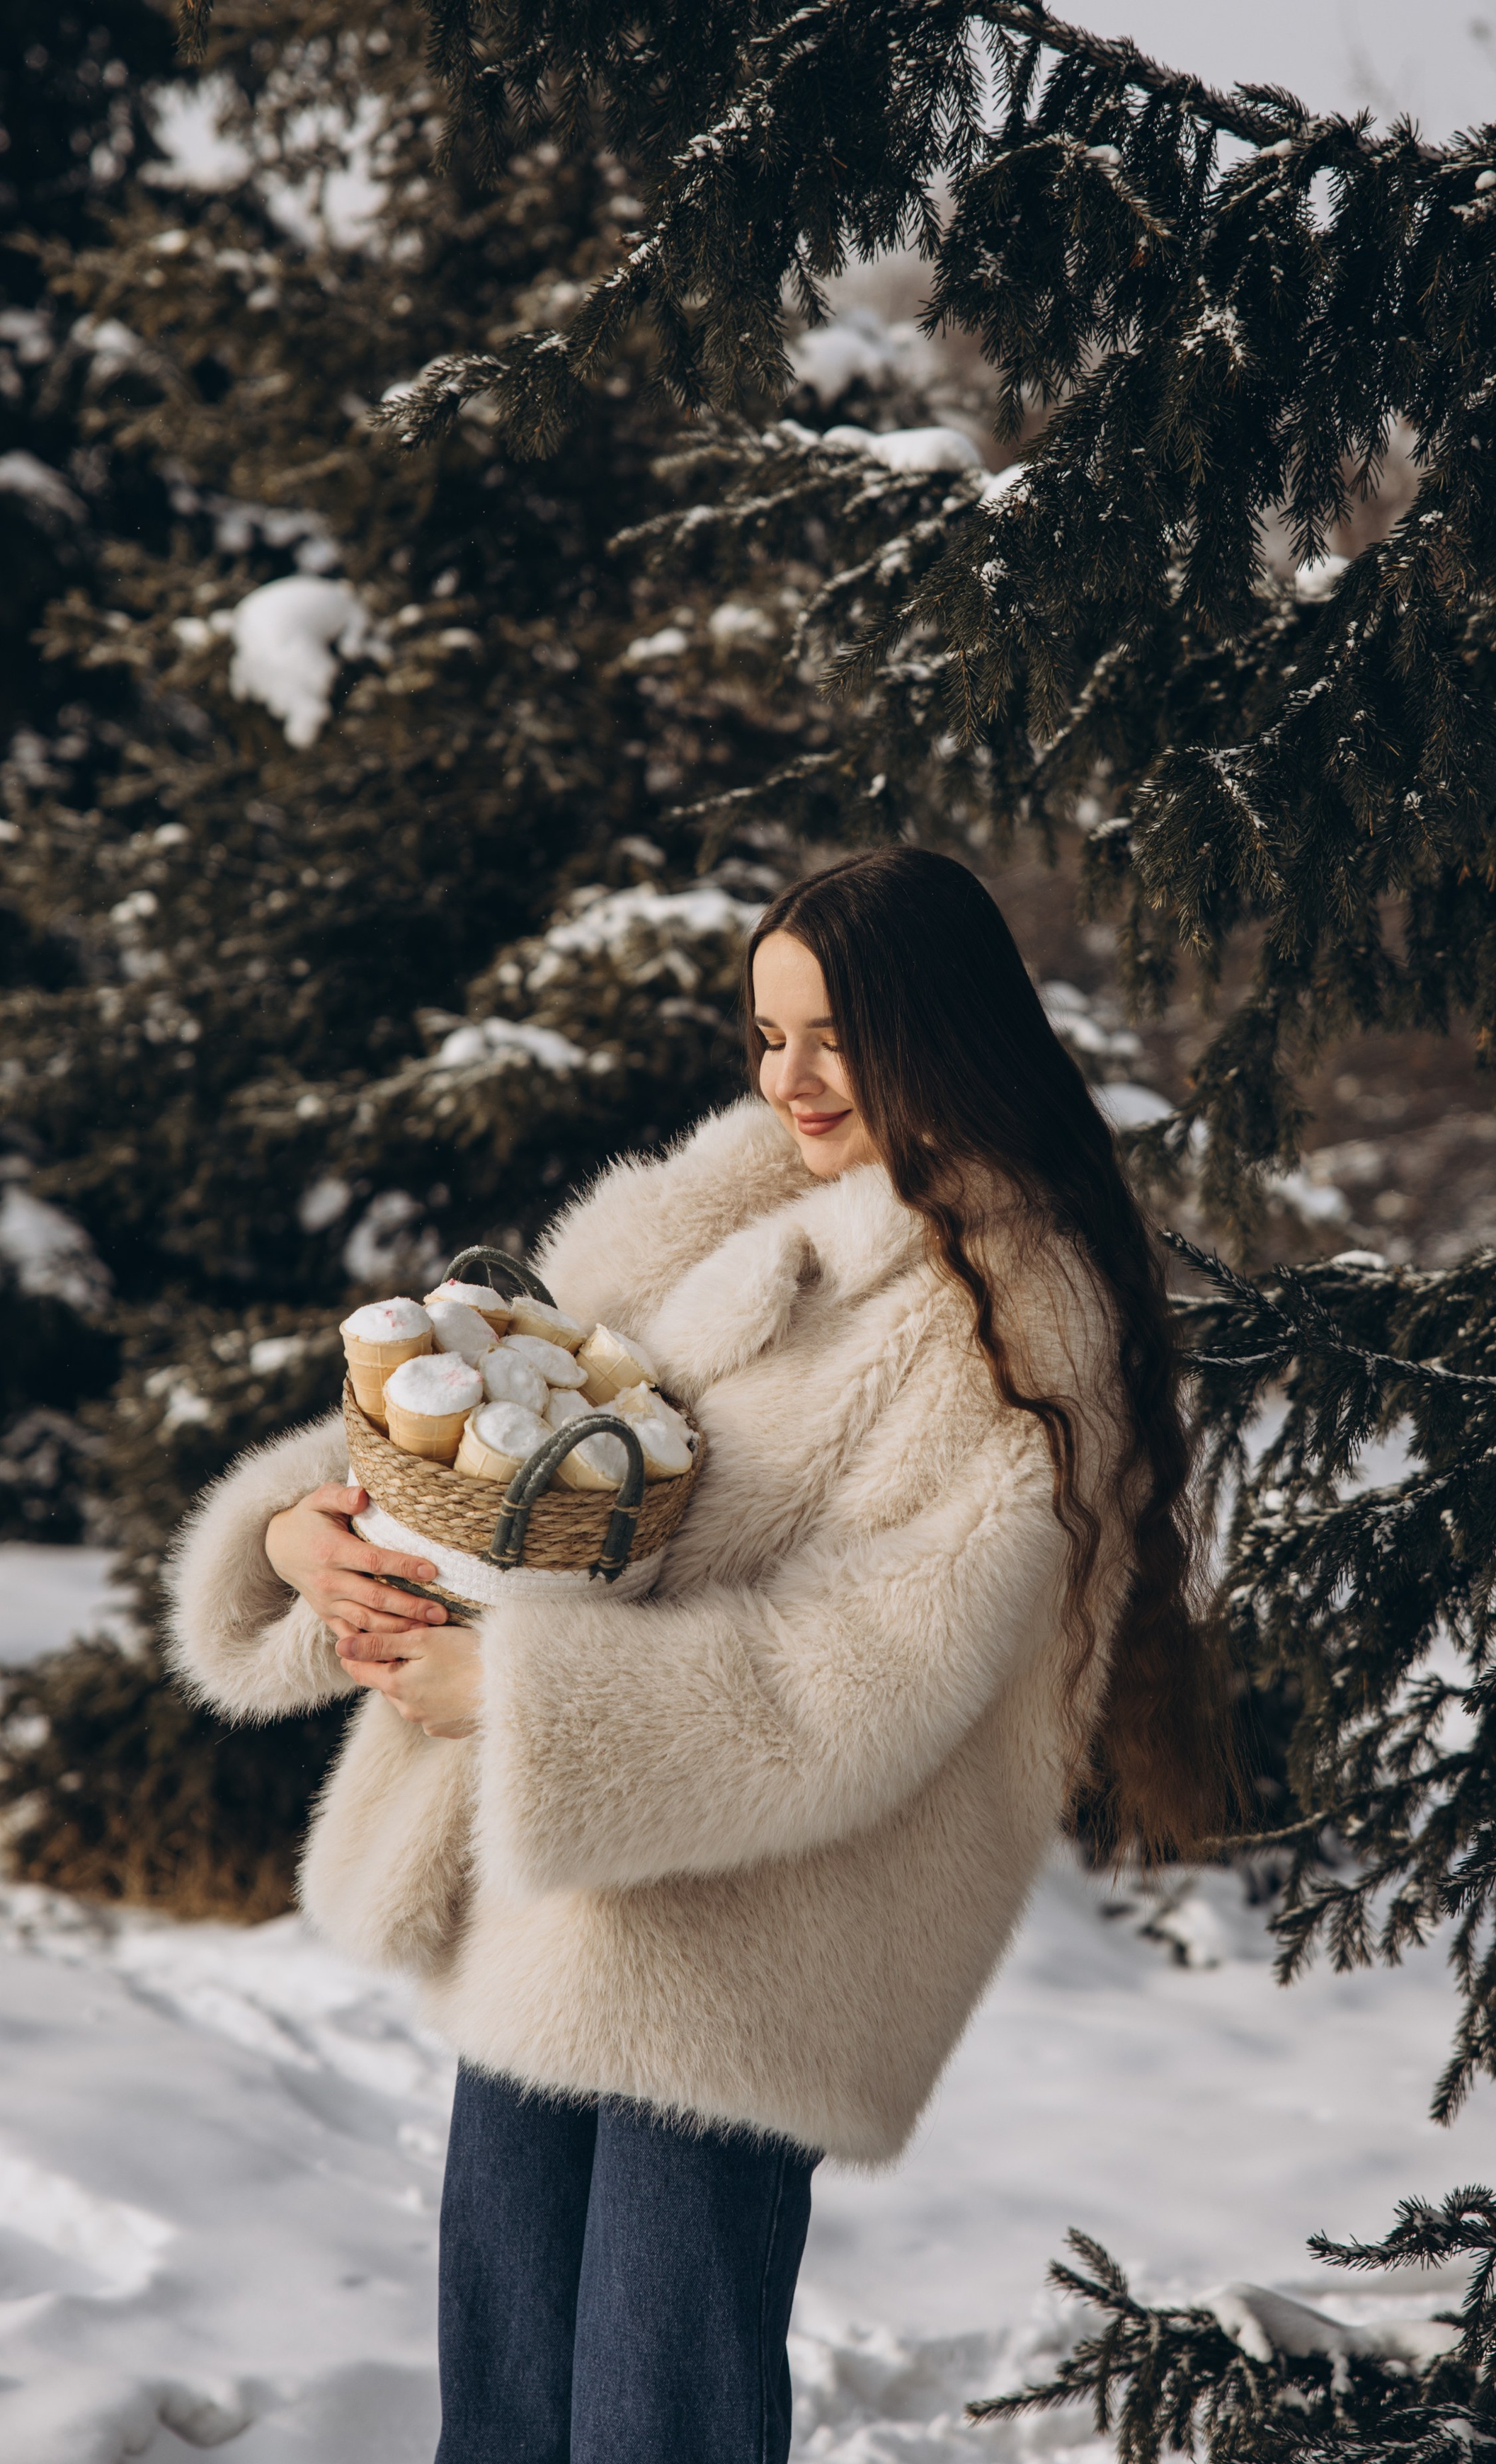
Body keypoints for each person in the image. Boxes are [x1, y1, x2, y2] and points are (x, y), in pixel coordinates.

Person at [169, 844, 1238, 2464]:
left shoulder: (1025, 1310)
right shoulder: (716, 1201)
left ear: (940, 1032)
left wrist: (520, 1702)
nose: (792, 1078)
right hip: (563, 1899)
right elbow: (509, 1422)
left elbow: (866, 1667)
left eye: (834, 1036)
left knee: (649, 2423)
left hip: (762, 1944)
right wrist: (305, 1535)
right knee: (509, 2417)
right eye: (764, 1032)